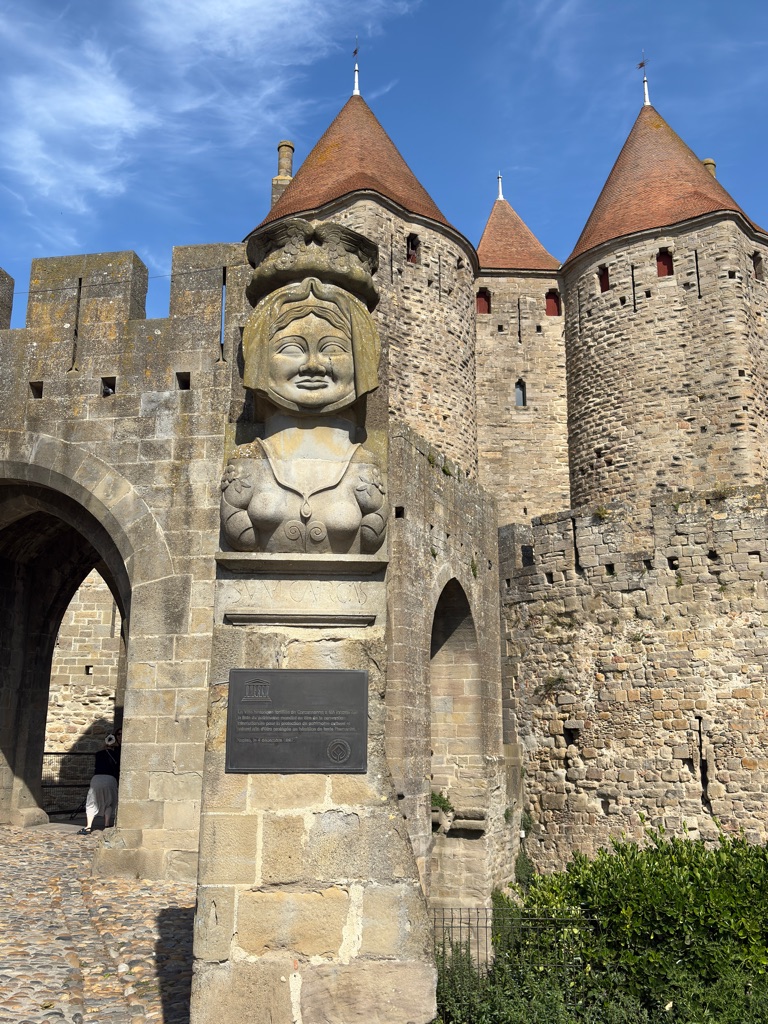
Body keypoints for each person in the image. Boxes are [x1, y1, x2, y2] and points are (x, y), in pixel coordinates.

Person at [78, 728, 121, 835]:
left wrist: (105, 746)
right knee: (109, 803)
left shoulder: (99, 754)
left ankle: (88, 826)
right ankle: (106, 824)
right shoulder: (117, 755)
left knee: (91, 802)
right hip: (110, 779)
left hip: (97, 779)